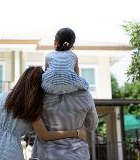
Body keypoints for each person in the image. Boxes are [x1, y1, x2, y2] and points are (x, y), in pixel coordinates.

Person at [0, 67, 87, 160]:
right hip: (9, 153)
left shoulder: (0, 97)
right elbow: (45, 135)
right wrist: (77, 133)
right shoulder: (30, 105)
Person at [31, 28, 99, 160]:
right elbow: (92, 126)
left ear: (55, 42)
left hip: (45, 154)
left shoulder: (39, 95)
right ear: (72, 45)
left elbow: (31, 127)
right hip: (76, 155)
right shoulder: (85, 95)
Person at [42, 27, 89, 95]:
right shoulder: (73, 56)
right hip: (70, 87)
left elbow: (46, 72)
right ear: (72, 44)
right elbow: (76, 74)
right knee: (84, 82)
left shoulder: (49, 56)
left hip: (49, 87)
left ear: (55, 42)